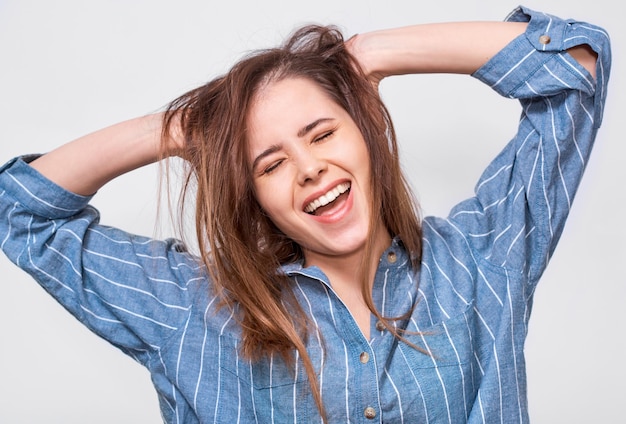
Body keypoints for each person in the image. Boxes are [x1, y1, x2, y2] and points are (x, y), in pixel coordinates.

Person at [0, 4, 610, 423]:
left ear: (365, 134)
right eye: (270, 164)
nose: (309, 168)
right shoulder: (194, 310)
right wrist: (179, 129)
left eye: (321, 133)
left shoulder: (485, 258)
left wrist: (371, 54)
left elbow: (575, 66)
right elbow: (22, 211)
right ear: (255, 198)